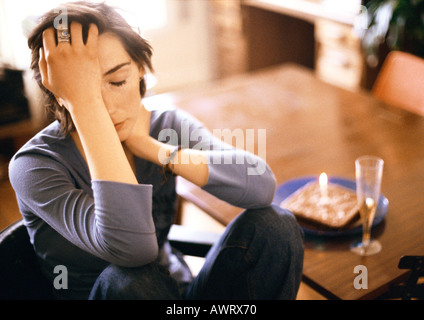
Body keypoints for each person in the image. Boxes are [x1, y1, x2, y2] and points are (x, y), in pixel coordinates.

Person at [9, 1, 304, 300]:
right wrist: (85, 109)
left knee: (276, 226)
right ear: (60, 94)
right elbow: (134, 250)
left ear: (140, 70)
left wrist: (154, 148)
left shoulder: (163, 126)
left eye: (117, 81)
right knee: (132, 279)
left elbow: (261, 186)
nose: (108, 108)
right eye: (85, 92)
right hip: (116, 294)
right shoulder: (35, 165)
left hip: (177, 296)